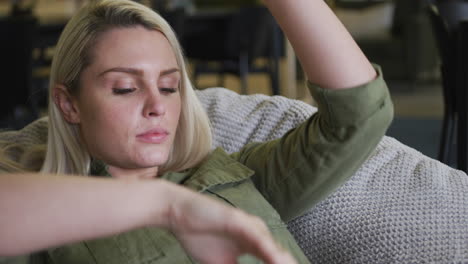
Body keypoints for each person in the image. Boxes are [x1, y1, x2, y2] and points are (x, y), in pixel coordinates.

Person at [0, 0, 393, 263]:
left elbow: (358, 116)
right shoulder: (45, 220)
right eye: (125, 88)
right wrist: (163, 205)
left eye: (170, 87)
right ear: (69, 104)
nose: (157, 105)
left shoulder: (239, 175)